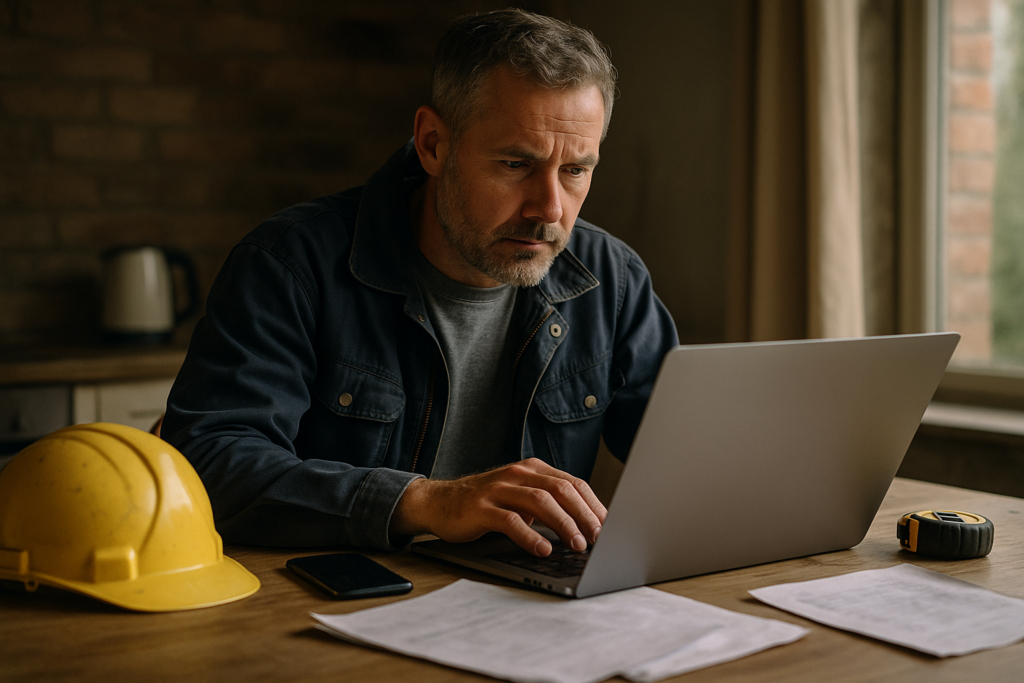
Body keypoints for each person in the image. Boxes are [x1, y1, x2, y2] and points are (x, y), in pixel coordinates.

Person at [163, 9, 678, 558]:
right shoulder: (290, 264)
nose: (549, 209)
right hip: (334, 602)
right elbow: (208, 462)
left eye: (575, 170)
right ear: (433, 143)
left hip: (526, 602)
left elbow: (691, 455)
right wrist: (426, 502)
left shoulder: (613, 279)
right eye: (514, 163)